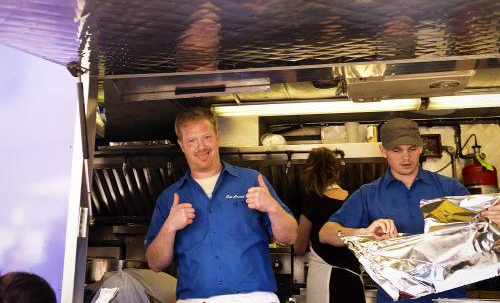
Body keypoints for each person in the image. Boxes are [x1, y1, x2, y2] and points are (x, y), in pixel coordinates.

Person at [145, 106, 298, 302]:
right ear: (182, 145)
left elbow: (291, 236)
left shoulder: (252, 181)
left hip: (254, 298)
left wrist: (273, 208)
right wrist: (170, 226)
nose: (201, 147)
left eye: (206, 137)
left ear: (217, 137)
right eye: (191, 140)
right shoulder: (169, 198)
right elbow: (155, 263)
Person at [318, 118, 471, 303]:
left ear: (421, 147)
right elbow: (325, 234)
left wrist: (493, 219)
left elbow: (479, 233)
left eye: (412, 149)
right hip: (396, 299)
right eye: (396, 150)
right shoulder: (368, 194)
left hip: (448, 297)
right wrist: (363, 233)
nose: (405, 157)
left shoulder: (451, 189)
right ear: (383, 151)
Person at [294, 147, 366, 303]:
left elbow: (299, 248)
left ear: (310, 174)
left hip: (325, 282)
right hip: (353, 280)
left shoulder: (313, 200)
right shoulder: (354, 198)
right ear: (337, 172)